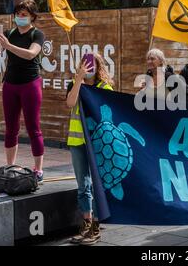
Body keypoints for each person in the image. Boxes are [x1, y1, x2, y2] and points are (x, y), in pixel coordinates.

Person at [0, 0, 45, 182]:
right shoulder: (9, 32)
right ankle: (10, 165)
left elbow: (30, 54)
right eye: (18, 14)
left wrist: (8, 46)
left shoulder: (37, 34)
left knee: (33, 128)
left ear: (32, 17)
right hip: (10, 85)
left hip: (30, 84)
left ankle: (38, 169)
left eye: (24, 15)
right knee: (11, 128)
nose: (20, 17)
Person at [66, 53, 114, 245]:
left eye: (91, 63)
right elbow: (70, 103)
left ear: (98, 66)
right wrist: (78, 80)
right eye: (85, 63)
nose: (88, 67)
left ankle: (95, 226)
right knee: (82, 186)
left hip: (97, 143)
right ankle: (86, 223)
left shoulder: (105, 88)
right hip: (77, 142)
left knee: (96, 185)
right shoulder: (74, 83)